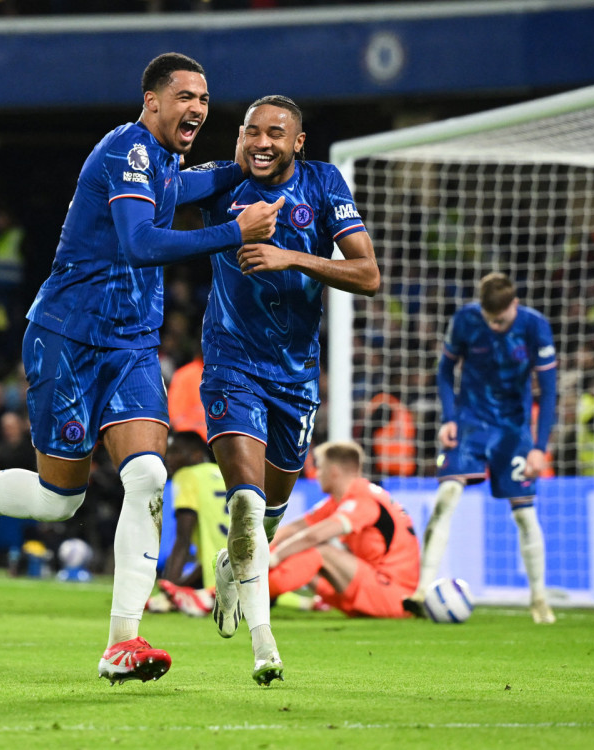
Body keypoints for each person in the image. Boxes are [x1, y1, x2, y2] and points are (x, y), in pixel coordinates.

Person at [0, 52, 282, 685]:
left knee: (149, 476)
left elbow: (188, 188)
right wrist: (235, 231)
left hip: (131, 346)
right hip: (67, 338)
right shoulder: (126, 151)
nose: (197, 108)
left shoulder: (163, 162)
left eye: (204, 99)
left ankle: (122, 642)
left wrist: (240, 166)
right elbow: (140, 243)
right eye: (185, 96)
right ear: (151, 101)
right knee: (59, 500)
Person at [195, 95, 380, 684]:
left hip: (295, 376)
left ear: (297, 142)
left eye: (275, 133)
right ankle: (264, 645)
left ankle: (231, 565)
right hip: (231, 363)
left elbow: (368, 274)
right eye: (252, 132)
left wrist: (290, 258)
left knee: (267, 519)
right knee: (245, 504)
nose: (262, 143)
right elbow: (145, 212)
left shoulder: (324, 184)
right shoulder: (219, 181)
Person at [408, 272, 558, 624]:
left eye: (500, 321)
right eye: (490, 319)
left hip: (513, 431)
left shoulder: (535, 327)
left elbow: (549, 390)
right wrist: (449, 417)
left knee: (524, 514)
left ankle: (539, 599)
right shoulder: (465, 320)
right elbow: (445, 371)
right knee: (446, 496)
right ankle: (421, 591)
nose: (494, 326)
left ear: (515, 305)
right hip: (470, 424)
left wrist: (540, 446)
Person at [266, 441, 419, 618]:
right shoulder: (341, 500)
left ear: (334, 471)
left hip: (395, 596)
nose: (317, 474)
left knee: (321, 551)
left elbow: (313, 537)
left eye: (320, 468)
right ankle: (258, 585)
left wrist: (273, 558)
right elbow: (294, 528)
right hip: (373, 587)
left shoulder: (363, 498)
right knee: (303, 555)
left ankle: (260, 590)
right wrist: (263, 550)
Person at [154, 430, 228, 617]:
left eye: (175, 452)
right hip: (253, 573)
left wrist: (168, 592)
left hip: (219, 586)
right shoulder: (224, 473)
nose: (168, 458)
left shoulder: (187, 475)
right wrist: (180, 586)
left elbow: (183, 540)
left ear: (196, 455)